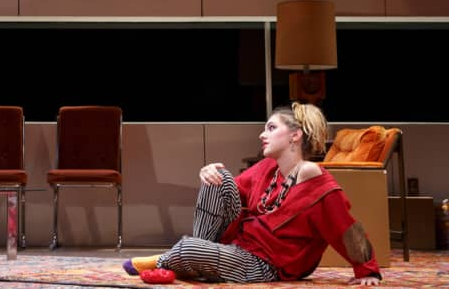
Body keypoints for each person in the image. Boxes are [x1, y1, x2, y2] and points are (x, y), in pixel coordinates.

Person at [123, 102, 382, 286]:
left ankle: (182, 256)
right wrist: (208, 172)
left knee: (190, 247)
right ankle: (196, 255)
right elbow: (228, 193)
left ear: (294, 136)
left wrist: (368, 270)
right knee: (219, 176)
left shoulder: (316, 180)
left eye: (270, 128)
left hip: (267, 264)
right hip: (237, 247)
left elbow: (346, 228)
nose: (262, 134)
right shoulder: (268, 168)